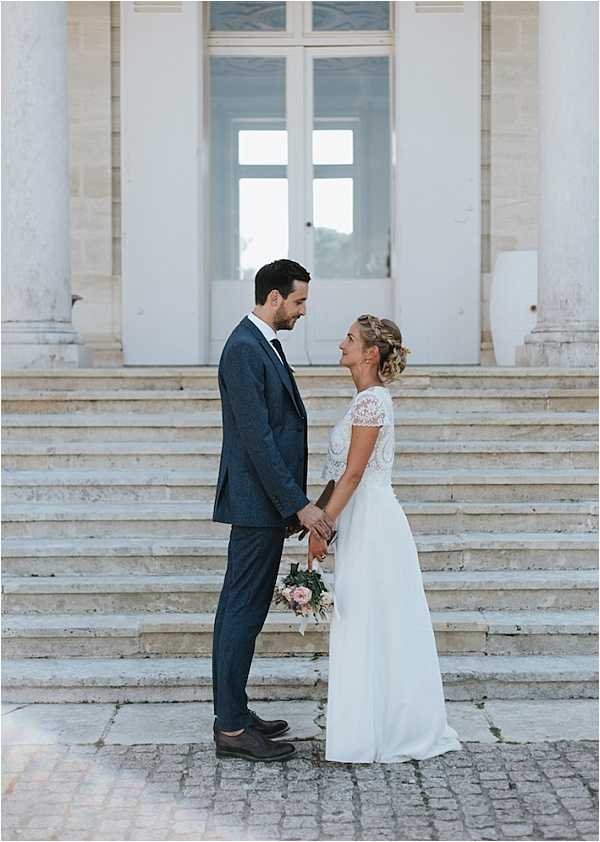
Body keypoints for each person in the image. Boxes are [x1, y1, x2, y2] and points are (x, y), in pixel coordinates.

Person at [308, 314, 462, 763]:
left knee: (369, 618)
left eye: (350, 339)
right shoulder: (362, 401)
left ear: (371, 353)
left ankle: (386, 728)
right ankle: (371, 722)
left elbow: (354, 474)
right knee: (367, 619)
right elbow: (340, 475)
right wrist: (312, 515)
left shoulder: (371, 402)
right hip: (359, 518)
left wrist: (323, 529)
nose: (341, 344)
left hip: (372, 521)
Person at [212, 258, 335, 762]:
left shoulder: (261, 344)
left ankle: (235, 711)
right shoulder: (244, 348)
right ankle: (233, 730)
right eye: (299, 301)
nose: (303, 311)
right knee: (240, 612)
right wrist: (298, 505)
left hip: (265, 503)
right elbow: (258, 439)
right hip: (256, 501)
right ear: (274, 297)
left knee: (247, 610)